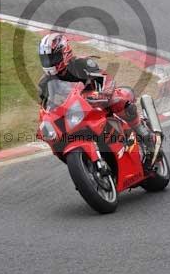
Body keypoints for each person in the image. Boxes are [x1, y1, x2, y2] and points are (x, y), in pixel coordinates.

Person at [38, 32, 157, 172]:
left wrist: (103, 94)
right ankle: (87, 167)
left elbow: (106, 79)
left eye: (52, 58)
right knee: (55, 140)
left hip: (98, 104)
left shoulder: (81, 63)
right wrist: (44, 124)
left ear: (64, 52)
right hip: (75, 115)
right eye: (46, 59)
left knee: (120, 98)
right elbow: (46, 109)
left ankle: (144, 134)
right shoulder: (44, 84)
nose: (49, 63)